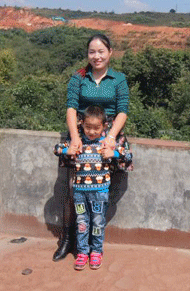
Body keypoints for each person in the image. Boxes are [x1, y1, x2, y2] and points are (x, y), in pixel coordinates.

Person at [52, 33, 132, 262]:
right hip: (81, 135)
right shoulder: (78, 78)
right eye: (92, 52)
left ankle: (94, 244)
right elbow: (70, 107)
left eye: (101, 51)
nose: (96, 56)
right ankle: (69, 240)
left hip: (108, 135)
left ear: (110, 53)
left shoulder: (118, 79)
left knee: (103, 188)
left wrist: (112, 138)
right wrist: (75, 138)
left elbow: (122, 109)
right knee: (72, 187)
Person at [54, 105, 123, 270]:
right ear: (81, 124)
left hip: (99, 193)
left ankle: (96, 252)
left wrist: (112, 154)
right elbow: (56, 149)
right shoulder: (77, 143)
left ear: (104, 126)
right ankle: (82, 252)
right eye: (88, 127)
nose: (92, 131)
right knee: (82, 223)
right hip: (79, 193)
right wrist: (67, 149)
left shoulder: (106, 144)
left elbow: (126, 153)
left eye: (96, 128)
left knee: (97, 223)